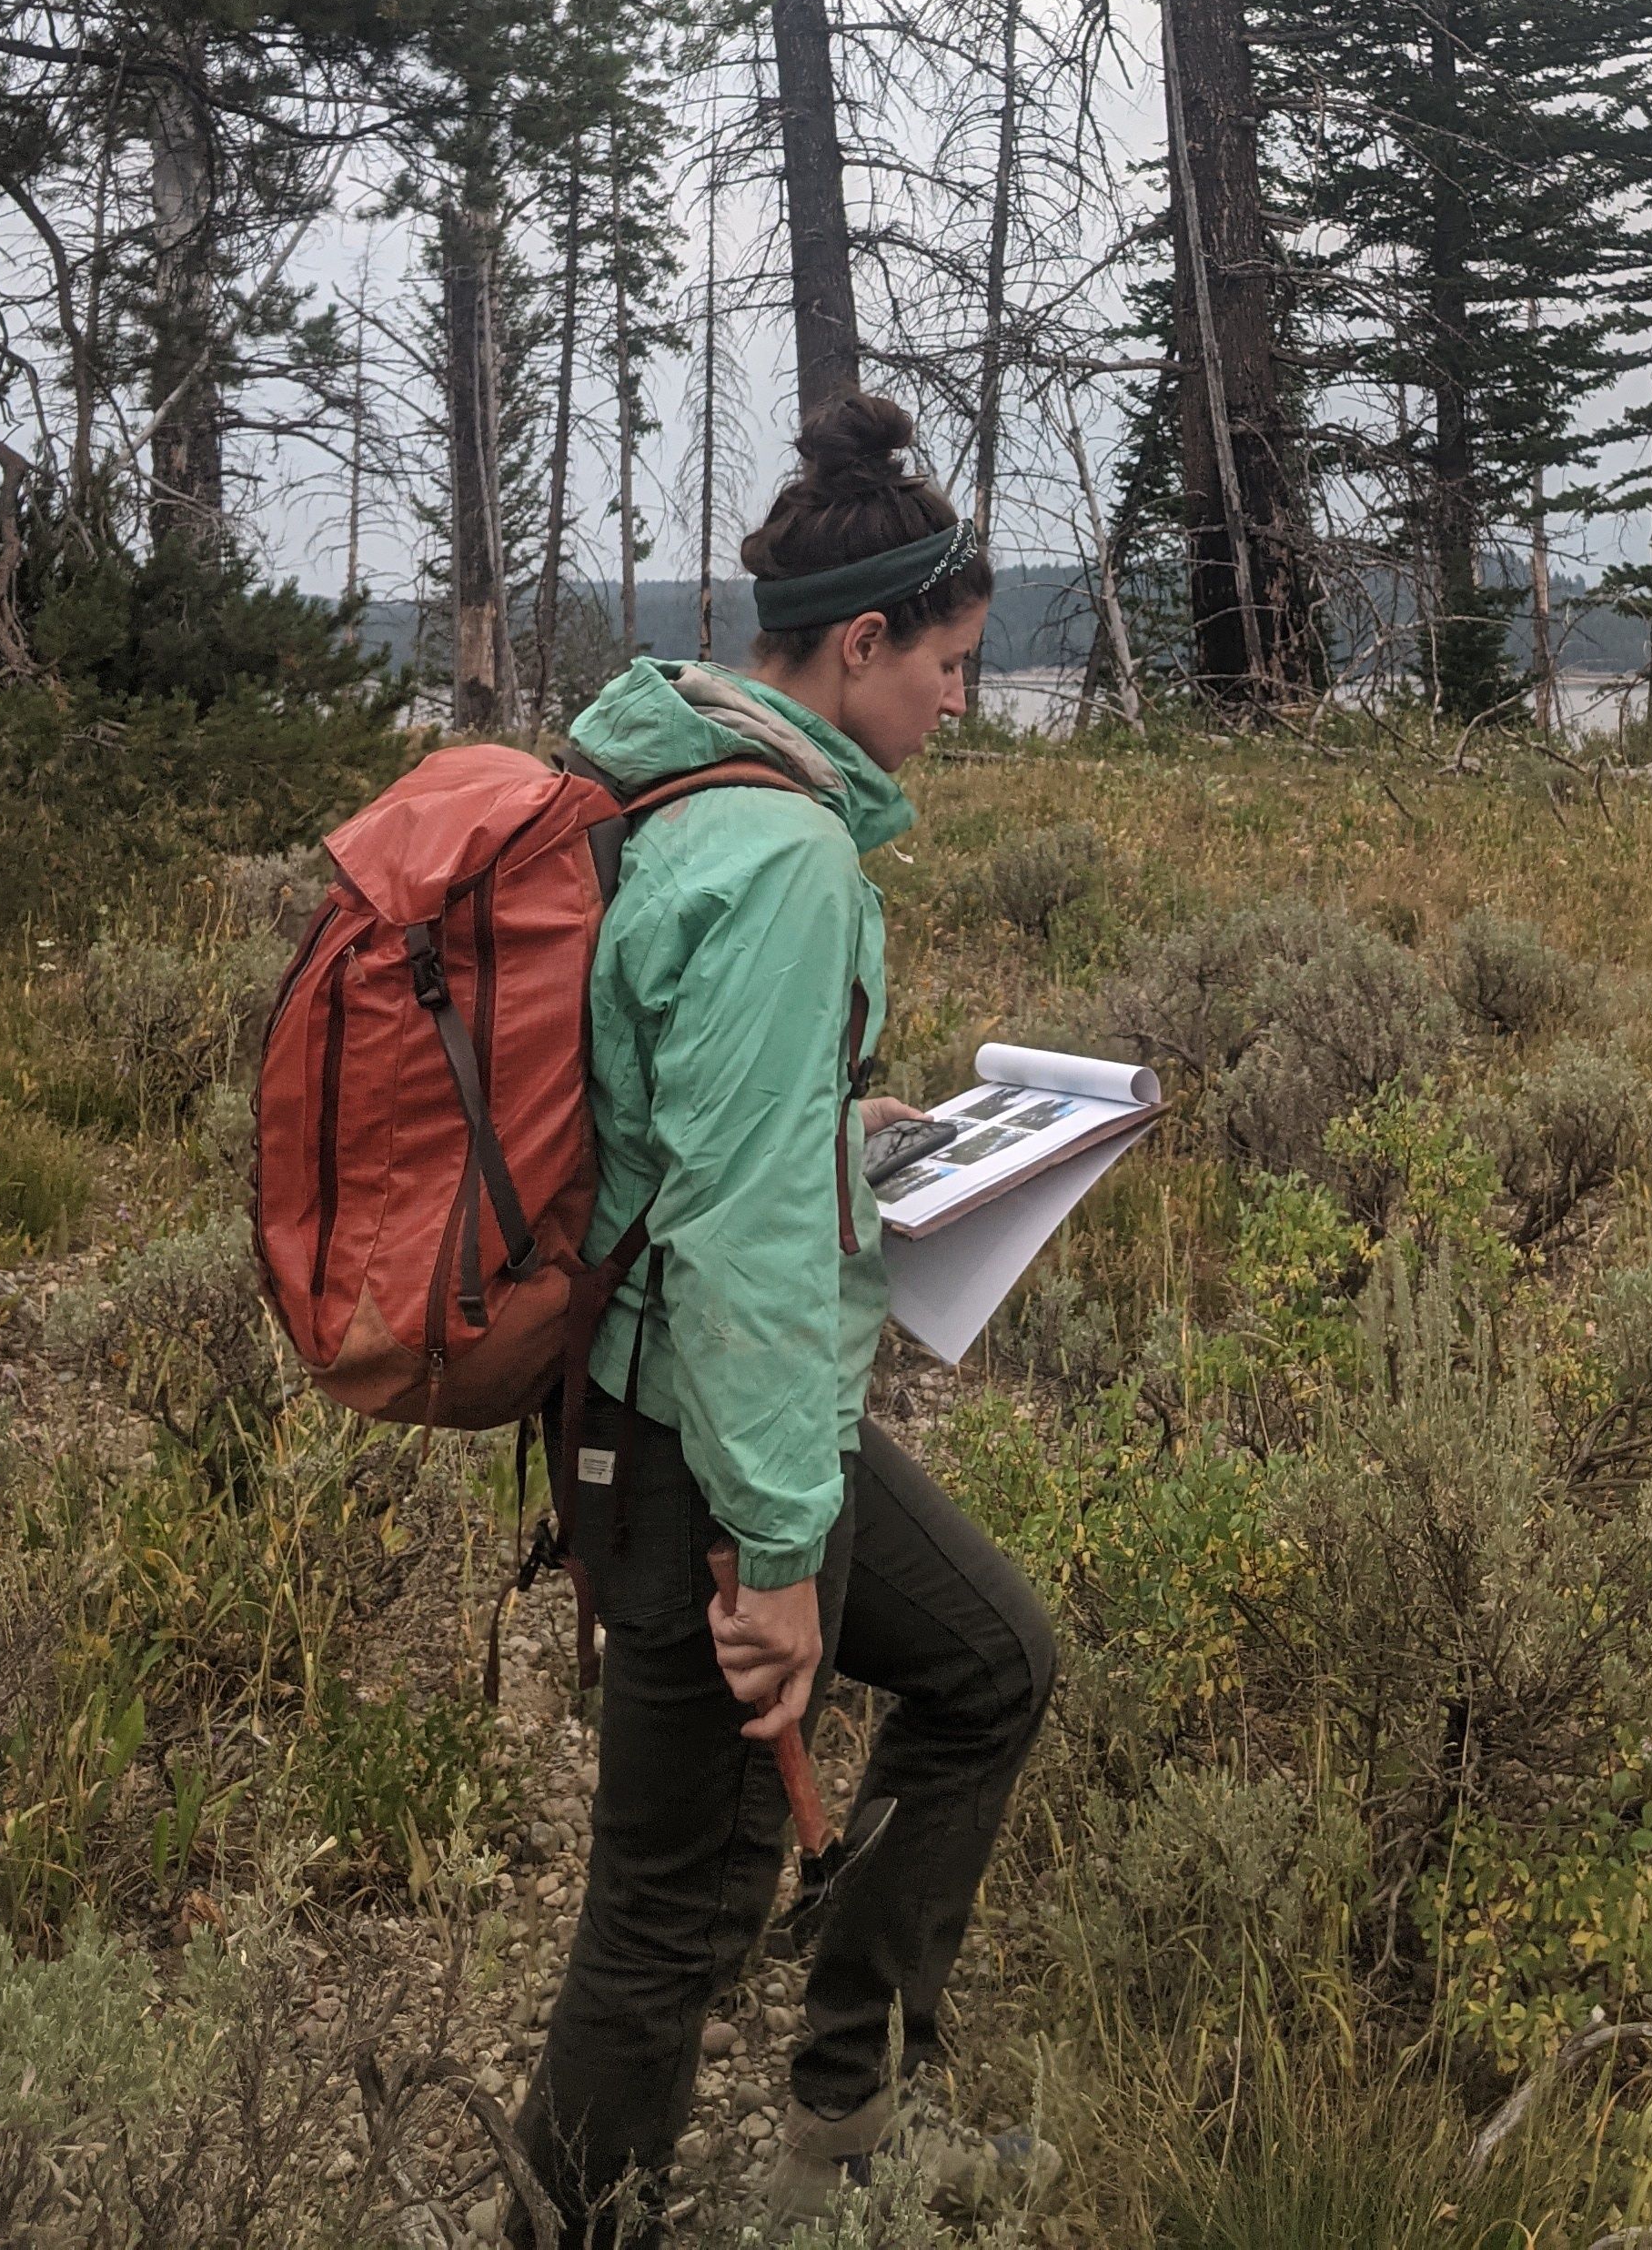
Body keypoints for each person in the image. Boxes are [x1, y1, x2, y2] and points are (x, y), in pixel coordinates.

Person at [514, 393, 1057, 2245]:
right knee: (670, 1904)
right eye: (953, 665)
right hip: (702, 1443)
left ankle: (854, 2117)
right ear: (860, 644)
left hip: (670, 1407)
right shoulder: (787, 861)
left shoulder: (685, 789)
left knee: (991, 1658)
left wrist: (840, 1133)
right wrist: (768, 1561)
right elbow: (744, 1250)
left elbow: (690, 1123)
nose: (960, 704)